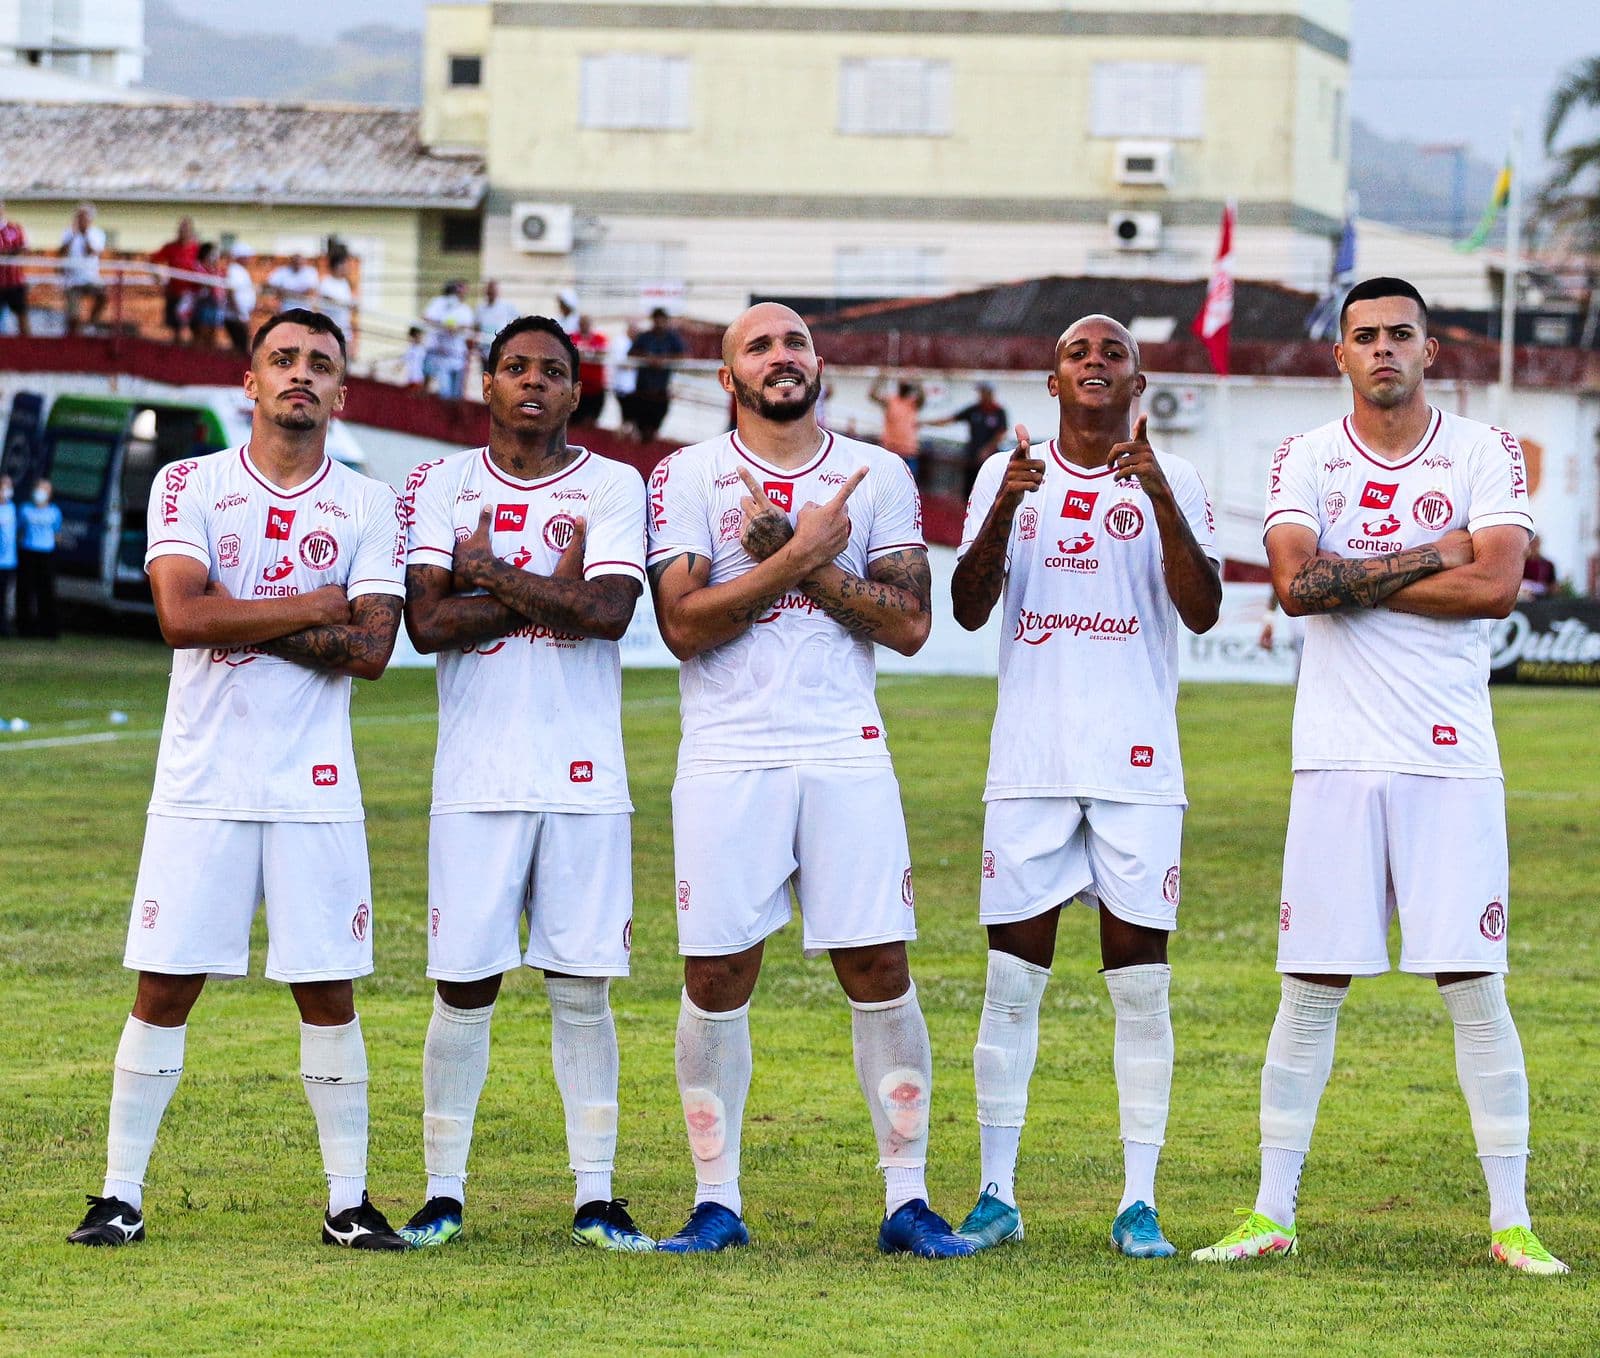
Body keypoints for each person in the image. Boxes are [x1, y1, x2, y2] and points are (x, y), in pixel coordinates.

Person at [1192, 277, 1568, 1274]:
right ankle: (1271, 1211)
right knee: (1307, 986)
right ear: (1341, 354)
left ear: (1429, 348)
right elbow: (1294, 585)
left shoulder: (1483, 449)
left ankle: (1511, 1220)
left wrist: (1365, 575)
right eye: (1365, 335)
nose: (1383, 348)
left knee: (1474, 986)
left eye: (1400, 333)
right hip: (1334, 760)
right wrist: (1426, 551)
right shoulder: (1304, 454)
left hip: (1447, 760)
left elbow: (1493, 584)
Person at [66, 309, 410, 1251]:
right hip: (202, 781)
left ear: (343, 391)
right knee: (165, 986)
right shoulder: (189, 482)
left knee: (327, 990)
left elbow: (373, 648)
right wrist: (313, 605)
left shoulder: (370, 502)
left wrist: (239, 611)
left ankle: (348, 1202)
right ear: (250, 383)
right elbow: (180, 616)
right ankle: (119, 1195)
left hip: (315, 785)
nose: (302, 375)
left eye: (321, 365)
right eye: (284, 360)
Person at [645, 302, 973, 1259]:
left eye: (795, 344)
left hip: (844, 749)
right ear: (728, 376)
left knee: (879, 967)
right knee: (716, 972)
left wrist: (800, 564)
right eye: (760, 347)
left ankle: (907, 1201)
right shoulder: (688, 476)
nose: (781, 359)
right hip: (727, 753)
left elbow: (911, 625)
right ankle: (716, 1201)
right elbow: (683, 626)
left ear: (820, 362)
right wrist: (796, 555)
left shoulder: (878, 474)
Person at [949, 315, 1221, 1257]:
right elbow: (969, 606)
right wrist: (1001, 508)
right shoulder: (1007, 471)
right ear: (1051, 381)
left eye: (1115, 354)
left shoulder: (1172, 475)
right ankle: (995, 1193)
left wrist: (1160, 503)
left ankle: (1137, 1201)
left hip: (1138, 764)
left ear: (1139, 382)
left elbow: (1204, 607)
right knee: (1011, 981)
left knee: (1139, 985)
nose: (1096, 363)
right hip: (1029, 761)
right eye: (1078, 353)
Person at [398, 315, 652, 1252]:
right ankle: (441, 1191)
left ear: (577, 392)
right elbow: (424, 625)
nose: (533, 382)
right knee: (464, 986)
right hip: (475, 775)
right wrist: (549, 584)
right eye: (516, 368)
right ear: (488, 383)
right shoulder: (439, 484)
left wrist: (488, 573)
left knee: (581, 987)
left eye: (552, 370)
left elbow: (609, 611)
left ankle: (596, 1195)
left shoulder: (614, 483)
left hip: (585, 777)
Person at [928, 381, 1009, 497]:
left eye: (983, 392)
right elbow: (950, 419)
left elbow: (1002, 433)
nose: (980, 395)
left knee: (990, 489)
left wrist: (988, 449)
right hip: (972, 456)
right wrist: (926, 423)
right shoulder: (974, 409)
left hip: (990, 457)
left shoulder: (999, 412)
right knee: (969, 489)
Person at [626, 307, 685, 442]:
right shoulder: (644, 337)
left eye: (662, 320)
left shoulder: (672, 338)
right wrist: (647, 358)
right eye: (657, 320)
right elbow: (630, 353)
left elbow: (682, 356)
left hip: (660, 392)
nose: (659, 323)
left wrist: (664, 360)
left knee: (654, 430)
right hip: (642, 391)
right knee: (640, 428)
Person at [17, 477, 63, 639]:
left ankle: (48, 629)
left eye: (45, 489)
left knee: (47, 592)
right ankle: (25, 628)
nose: (41, 493)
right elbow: (19, 531)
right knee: (25, 591)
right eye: (39, 488)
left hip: (46, 554)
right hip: (28, 552)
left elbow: (57, 533)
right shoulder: (25, 509)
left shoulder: (54, 512)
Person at [60, 203, 108, 336]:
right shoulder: (68, 233)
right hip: (72, 280)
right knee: (73, 315)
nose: (81, 219)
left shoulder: (97, 233)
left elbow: (91, 252)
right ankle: (74, 335)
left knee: (103, 296)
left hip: (91, 278)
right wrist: (73, 235)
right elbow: (62, 251)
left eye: (84, 217)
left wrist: (85, 234)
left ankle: (91, 324)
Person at [422, 281, 475, 400]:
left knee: (456, 394)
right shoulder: (439, 303)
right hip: (439, 353)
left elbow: (468, 326)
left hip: (457, 355)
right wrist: (443, 325)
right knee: (444, 393)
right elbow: (426, 317)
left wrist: (456, 328)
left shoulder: (465, 310)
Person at [150, 217, 200, 343]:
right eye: (181, 229)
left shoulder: (197, 249)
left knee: (195, 326)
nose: (183, 232)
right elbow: (154, 259)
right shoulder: (171, 247)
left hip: (192, 295)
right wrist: (157, 275)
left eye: (186, 229)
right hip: (174, 293)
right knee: (175, 326)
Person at [869, 374, 925, 479]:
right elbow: (872, 395)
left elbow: (922, 398)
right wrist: (880, 379)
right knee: (886, 482)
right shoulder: (891, 401)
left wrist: (917, 383)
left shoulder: (913, 402)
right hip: (891, 449)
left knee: (908, 484)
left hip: (909, 452)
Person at [0, 201, 31, 337]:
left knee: (22, 318)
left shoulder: (15, 228)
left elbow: (24, 249)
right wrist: (13, 251)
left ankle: (29, 351)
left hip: (15, 282)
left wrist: (8, 252)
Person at [317, 255, 358, 355]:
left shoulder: (344, 283)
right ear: (336, 266)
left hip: (345, 329)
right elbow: (328, 299)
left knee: (345, 362)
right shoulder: (326, 282)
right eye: (344, 265)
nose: (346, 268)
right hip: (330, 331)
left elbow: (349, 303)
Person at [572, 315, 609, 425]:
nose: (584, 326)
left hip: (595, 387)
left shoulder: (599, 338)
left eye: (586, 323)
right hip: (577, 385)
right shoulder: (572, 337)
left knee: (592, 420)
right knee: (575, 420)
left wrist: (585, 352)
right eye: (582, 323)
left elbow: (603, 352)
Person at [220, 245, 257, 354]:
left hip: (240, 314)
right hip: (235, 316)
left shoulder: (240, 271)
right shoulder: (234, 271)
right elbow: (231, 292)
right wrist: (239, 312)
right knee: (241, 346)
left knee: (242, 345)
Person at [473, 279, 519, 359]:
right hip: (485, 348)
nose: (491, 293)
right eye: (489, 291)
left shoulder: (507, 306)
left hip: (501, 348)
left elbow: (519, 320)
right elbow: (476, 326)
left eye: (493, 291)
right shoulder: (480, 308)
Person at [189, 242, 224, 349]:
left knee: (212, 334)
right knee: (201, 332)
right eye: (213, 254)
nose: (215, 257)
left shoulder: (216, 270)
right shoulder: (198, 267)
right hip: (201, 305)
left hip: (215, 305)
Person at [0, 475, 16, 636]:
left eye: (9, 486)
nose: (7, 490)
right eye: (4, 486)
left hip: (8, 562)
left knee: (4, 596)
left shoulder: (12, 508)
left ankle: (4, 627)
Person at [1518, 535, 1557, 601]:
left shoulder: (1547, 564)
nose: (1534, 546)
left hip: (1541, 599)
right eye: (1532, 543)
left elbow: (1553, 584)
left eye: (1536, 543)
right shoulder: (1521, 562)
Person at [402, 325, 428, 389]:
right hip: (411, 376)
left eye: (420, 336)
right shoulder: (411, 348)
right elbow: (405, 358)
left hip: (419, 377)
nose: (419, 338)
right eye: (416, 337)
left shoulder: (424, 349)